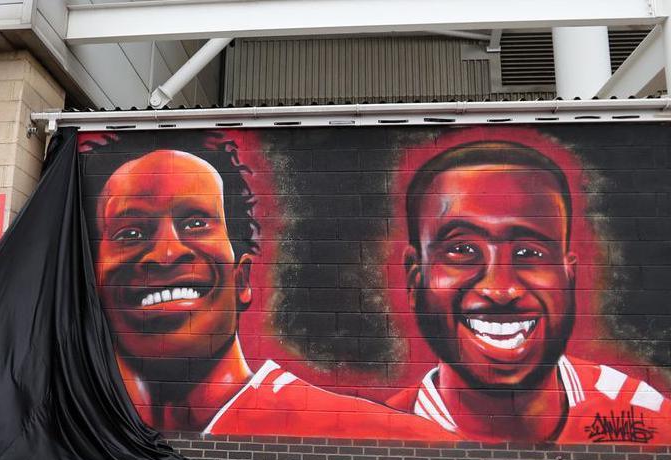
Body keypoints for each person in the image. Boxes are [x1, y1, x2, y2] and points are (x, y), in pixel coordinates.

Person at [85, 135, 448, 439]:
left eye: (196, 223)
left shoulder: (385, 436)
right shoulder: (70, 422)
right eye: (130, 233)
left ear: (242, 279)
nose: (166, 253)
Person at [387, 140, 671, 443]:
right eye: (463, 249)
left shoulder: (644, 412)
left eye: (529, 252)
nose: (500, 290)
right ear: (415, 276)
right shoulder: (389, 429)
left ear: (568, 273)